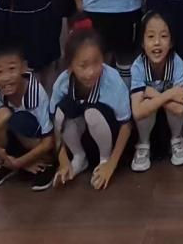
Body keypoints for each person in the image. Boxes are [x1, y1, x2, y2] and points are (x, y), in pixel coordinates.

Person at [51, 31, 133, 190]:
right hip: (83, 138)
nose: (91, 72)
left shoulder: (112, 80)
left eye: (96, 63)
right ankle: (79, 157)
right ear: (70, 66)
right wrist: (63, 160)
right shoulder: (62, 82)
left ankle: (103, 160)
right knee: (61, 113)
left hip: (109, 138)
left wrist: (111, 164)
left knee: (92, 113)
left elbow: (126, 125)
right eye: (83, 66)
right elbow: (54, 122)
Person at [0, 45, 56, 191]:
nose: (6, 77)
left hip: (39, 144)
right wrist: (11, 161)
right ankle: (7, 165)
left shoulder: (37, 94)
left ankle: (47, 164)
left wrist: (20, 162)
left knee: (19, 120)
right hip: (16, 149)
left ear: (23, 68)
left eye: (12, 69)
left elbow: (49, 142)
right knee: (0, 118)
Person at [129, 12, 183, 171]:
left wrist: (151, 92)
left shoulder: (177, 63)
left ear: (171, 42)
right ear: (142, 42)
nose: (157, 42)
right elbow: (137, 111)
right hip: (148, 120)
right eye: (150, 36)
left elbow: (180, 108)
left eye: (163, 36)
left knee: (153, 102)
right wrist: (169, 94)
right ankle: (143, 144)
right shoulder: (138, 66)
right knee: (146, 104)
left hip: (172, 118)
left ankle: (177, 140)